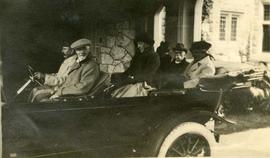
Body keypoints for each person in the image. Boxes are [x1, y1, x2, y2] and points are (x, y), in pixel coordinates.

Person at [111, 33, 160, 98]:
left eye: (140, 44)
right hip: (132, 83)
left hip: (144, 85)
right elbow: (130, 71)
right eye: (138, 44)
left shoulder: (154, 56)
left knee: (120, 97)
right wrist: (121, 76)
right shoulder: (137, 56)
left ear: (145, 45)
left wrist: (131, 78)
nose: (138, 46)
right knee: (113, 94)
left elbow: (148, 75)